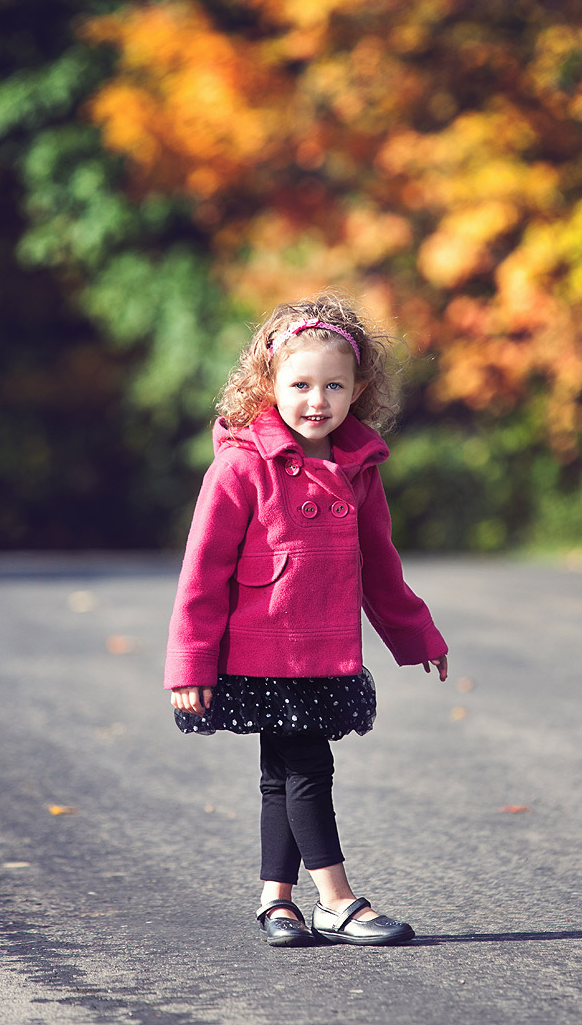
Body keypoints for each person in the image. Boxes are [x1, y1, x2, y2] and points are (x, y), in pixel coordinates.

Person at [164, 292, 448, 947]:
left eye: (333, 386)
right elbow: (201, 574)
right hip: (263, 651)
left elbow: (378, 564)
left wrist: (416, 636)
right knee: (306, 768)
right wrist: (189, 665)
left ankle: (276, 902)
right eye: (299, 385)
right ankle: (338, 902)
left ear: (358, 389)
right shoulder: (241, 464)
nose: (315, 400)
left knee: (282, 774)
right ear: (268, 384)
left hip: (324, 652)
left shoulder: (357, 466)